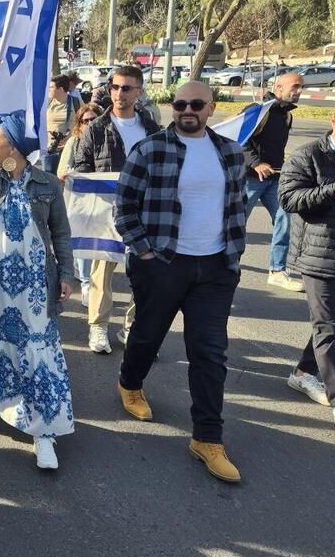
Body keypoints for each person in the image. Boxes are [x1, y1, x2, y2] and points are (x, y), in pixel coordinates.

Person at [115, 81, 247, 483]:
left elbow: (236, 206)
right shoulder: (151, 149)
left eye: (196, 104)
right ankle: (130, 383)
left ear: (211, 108)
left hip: (215, 269)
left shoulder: (230, 153)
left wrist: (233, 255)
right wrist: (145, 252)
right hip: (163, 263)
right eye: (179, 104)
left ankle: (207, 438)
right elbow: (124, 207)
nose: (187, 110)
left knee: (209, 353)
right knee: (148, 334)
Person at [0, 110, 75, 469]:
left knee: (36, 350)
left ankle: (44, 432)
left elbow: (62, 234)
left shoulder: (48, 185)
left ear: (14, 146)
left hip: (33, 286)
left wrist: (67, 274)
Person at [72, 65, 162, 354]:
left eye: (126, 88)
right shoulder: (97, 127)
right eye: (114, 87)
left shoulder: (151, 128)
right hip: (106, 213)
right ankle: (98, 327)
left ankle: (132, 327)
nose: (119, 93)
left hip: (144, 212)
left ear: (139, 91)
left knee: (145, 272)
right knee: (102, 273)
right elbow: (82, 166)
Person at [278, 97, 335, 429]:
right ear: (334, 120)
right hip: (319, 255)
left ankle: (304, 372)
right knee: (328, 327)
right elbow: (288, 199)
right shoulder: (309, 155)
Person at [242, 72, 305, 292]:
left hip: (275, 179)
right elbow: (238, 140)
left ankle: (277, 271)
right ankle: (225, 265)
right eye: (295, 86)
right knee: (236, 225)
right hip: (249, 180)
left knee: (285, 220)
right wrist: (256, 163)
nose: (298, 91)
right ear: (278, 87)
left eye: (301, 87)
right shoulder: (258, 111)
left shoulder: (287, 116)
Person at [57, 102, 105, 307]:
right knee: (84, 242)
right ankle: (86, 283)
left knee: (101, 244)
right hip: (80, 201)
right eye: (86, 121)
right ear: (79, 124)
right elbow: (61, 172)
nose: (90, 123)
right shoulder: (73, 143)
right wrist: (68, 176)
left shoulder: (107, 140)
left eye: (94, 119)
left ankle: (96, 284)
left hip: (104, 201)